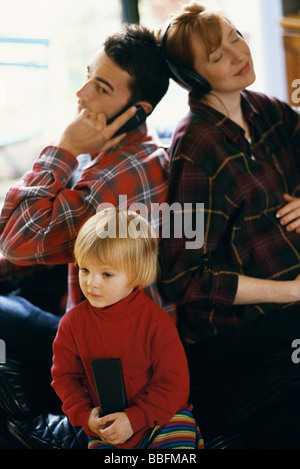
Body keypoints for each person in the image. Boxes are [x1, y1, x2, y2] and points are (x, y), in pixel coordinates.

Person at [158, 2, 300, 447]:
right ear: (195, 78)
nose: (239, 54)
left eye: (236, 37)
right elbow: (184, 279)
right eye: (218, 56)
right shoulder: (194, 146)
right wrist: (294, 292)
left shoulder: (266, 112)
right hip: (236, 330)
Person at [0, 23, 173, 384]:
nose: (81, 94)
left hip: (107, 359)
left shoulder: (111, 180)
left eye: (101, 88)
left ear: (136, 111)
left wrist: (63, 148)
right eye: (88, 76)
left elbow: (15, 242)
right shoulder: (142, 149)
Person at [51, 208, 204, 449]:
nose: (91, 282)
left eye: (107, 274)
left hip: (163, 418)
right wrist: (85, 416)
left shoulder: (155, 321)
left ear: (136, 276)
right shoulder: (71, 325)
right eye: (84, 269)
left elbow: (174, 385)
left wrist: (135, 419)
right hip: (107, 425)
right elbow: (64, 378)